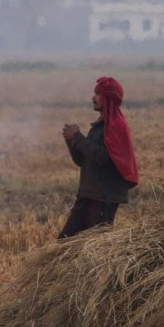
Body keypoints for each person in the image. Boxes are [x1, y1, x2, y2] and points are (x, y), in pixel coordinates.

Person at [59, 76, 138, 238]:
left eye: (97, 95)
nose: (93, 98)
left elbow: (102, 156)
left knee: (97, 247)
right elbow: (82, 160)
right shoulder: (100, 126)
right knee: (65, 242)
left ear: (107, 99)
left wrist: (78, 137)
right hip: (89, 194)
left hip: (104, 198)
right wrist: (71, 140)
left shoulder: (116, 126)